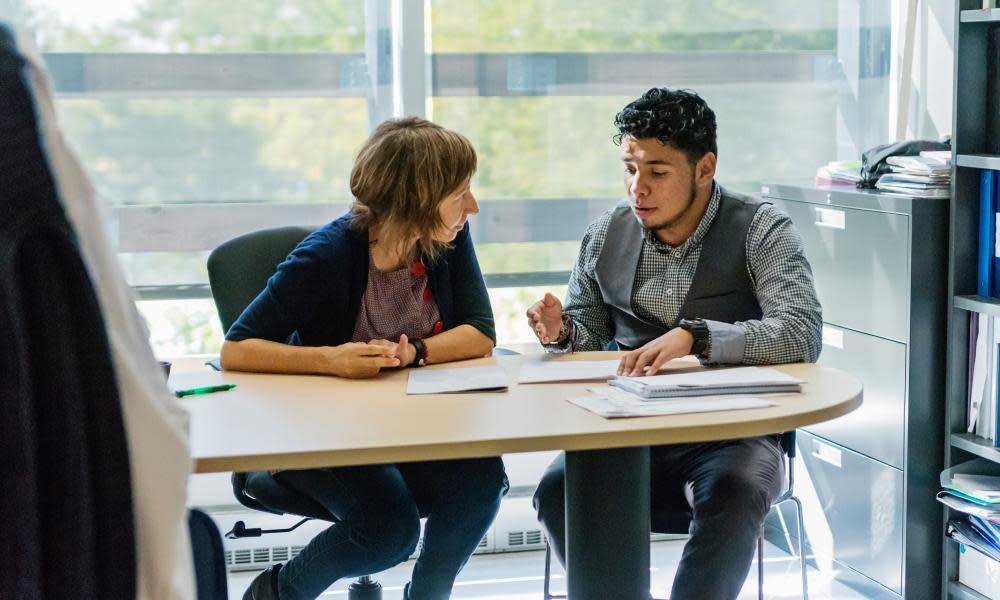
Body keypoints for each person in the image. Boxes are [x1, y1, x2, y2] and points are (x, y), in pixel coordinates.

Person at [526, 88, 822, 599]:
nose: (637, 188)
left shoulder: (761, 228)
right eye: (629, 168)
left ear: (704, 168)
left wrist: (698, 334)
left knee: (737, 491)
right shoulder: (603, 234)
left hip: (731, 434)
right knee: (557, 491)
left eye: (658, 172)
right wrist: (563, 333)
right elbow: (591, 333)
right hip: (627, 430)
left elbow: (801, 331)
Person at [221, 117, 508, 600]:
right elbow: (236, 348)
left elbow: (479, 333)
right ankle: (278, 592)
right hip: (318, 435)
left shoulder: (445, 238)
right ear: (418, 199)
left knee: (481, 479)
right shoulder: (326, 257)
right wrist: (331, 360)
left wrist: (414, 352)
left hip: (403, 426)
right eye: (460, 192)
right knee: (389, 528)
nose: (472, 205)